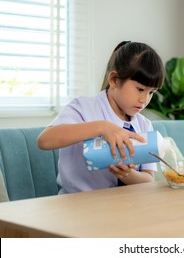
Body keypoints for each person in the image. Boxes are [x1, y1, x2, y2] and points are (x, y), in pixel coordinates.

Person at [37, 41, 165, 194]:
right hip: (78, 205)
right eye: (140, 89)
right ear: (114, 80)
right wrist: (102, 127)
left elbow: (148, 179)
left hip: (124, 208)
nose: (144, 100)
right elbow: (45, 140)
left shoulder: (144, 125)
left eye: (151, 92)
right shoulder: (83, 108)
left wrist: (128, 175)